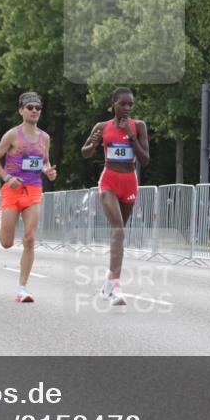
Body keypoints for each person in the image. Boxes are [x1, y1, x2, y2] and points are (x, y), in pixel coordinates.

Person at [0, 92, 58, 303]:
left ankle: (22, 288)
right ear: (21, 111)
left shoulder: (45, 137)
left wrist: (48, 171)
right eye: (30, 107)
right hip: (12, 191)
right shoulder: (12, 135)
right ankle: (0, 221)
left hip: (34, 190)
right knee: (7, 243)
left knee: (29, 238)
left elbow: (44, 162)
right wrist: (7, 177)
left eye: (38, 108)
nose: (34, 110)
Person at [81, 87, 150, 306]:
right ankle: (116, 287)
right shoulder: (102, 127)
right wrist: (92, 144)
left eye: (130, 104)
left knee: (118, 235)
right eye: (123, 104)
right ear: (113, 104)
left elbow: (145, 159)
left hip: (129, 181)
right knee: (118, 228)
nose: (127, 108)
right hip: (109, 180)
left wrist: (132, 137)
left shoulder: (139, 126)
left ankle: (108, 285)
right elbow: (85, 152)